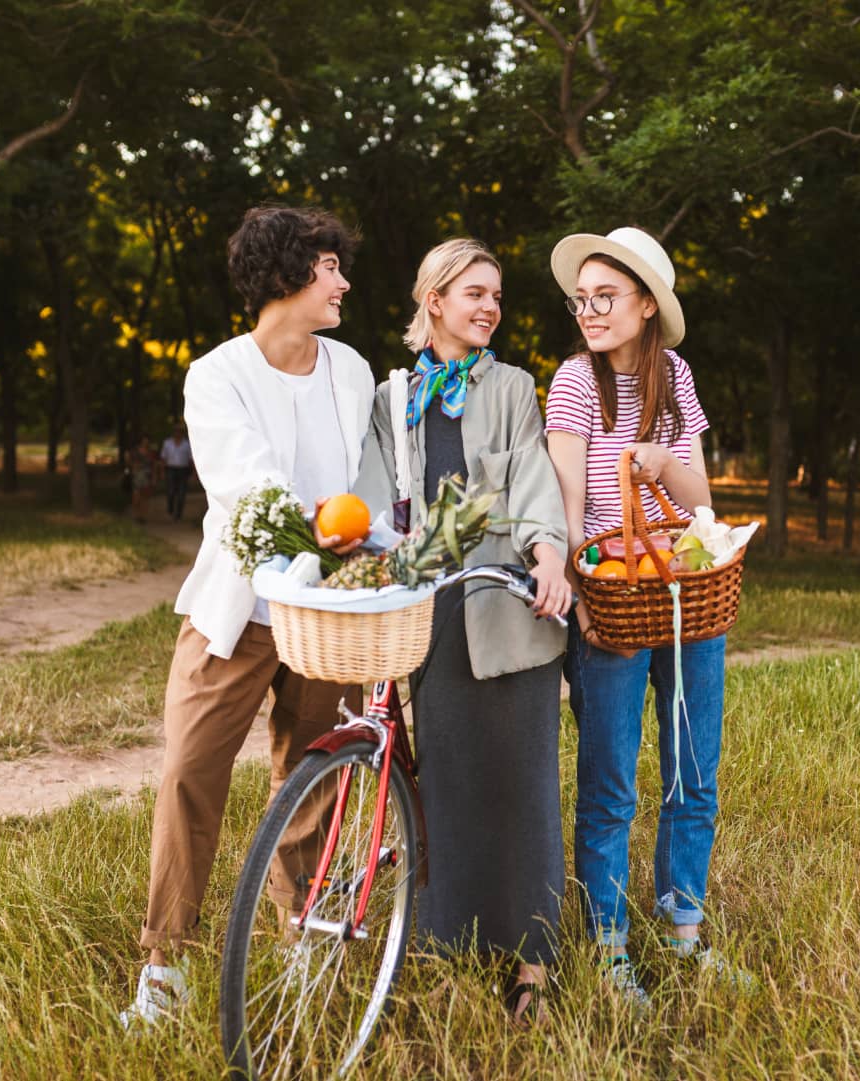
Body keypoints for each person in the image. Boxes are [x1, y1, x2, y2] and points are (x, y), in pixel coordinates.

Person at [120, 204, 374, 1029]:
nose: (341, 280)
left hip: (326, 616)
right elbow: (248, 487)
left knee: (309, 776)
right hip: (239, 608)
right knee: (190, 770)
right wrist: (328, 534)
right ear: (285, 274)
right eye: (328, 265)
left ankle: (300, 935)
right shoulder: (216, 374)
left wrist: (369, 548)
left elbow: (368, 481)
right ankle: (164, 963)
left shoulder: (352, 370)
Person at [352, 238, 571, 1025]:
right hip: (430, 617)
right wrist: (375, 553)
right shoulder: (391, 396)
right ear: (433, 300)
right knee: (444, 783)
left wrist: (549, 557)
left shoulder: (512, 386)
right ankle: (450, 940)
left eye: (497, 296)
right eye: (473, 293)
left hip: (507, 605)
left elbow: (531, 484)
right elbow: (374, 502)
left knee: (523, 788)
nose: (489, 307)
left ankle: (533, 960)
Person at [543, 226, 751, 1009]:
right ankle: (606, 942)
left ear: (645, 304)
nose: (589, 311)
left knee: (694, 772)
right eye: (581, 299)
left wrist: (664, 462)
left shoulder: (677, 377)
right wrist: (584, 598)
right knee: (609, 783)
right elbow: (567, 507)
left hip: (685, 593)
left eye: (605, 297)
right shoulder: (571, 382)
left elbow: (699, 503)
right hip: (615, 601)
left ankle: (681, 926)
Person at [160, 423, 194, 521]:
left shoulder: (187, 444)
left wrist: (193, 474)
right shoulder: (167, 443)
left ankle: (178, 514)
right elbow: (163, 458)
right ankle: (170, 508)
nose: (177, 433)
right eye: (176, 431)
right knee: (170, 491)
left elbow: (190, 459)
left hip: (183, 470)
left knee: (182, 493)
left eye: (179, 432)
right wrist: (162, 471)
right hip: (171, 469)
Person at [127, 436, 157, 524]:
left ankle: (142, 516)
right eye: (144, 440)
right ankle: (137, 514)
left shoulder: (151, 452)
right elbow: (129, 462)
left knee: (145, 497)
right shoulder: (134, 451)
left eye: (147, 441)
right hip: (136, 476)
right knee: (136, 497)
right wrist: (134, 466)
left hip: (147, 476)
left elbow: (154, 465)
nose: (146, 442)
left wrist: (154, 477)